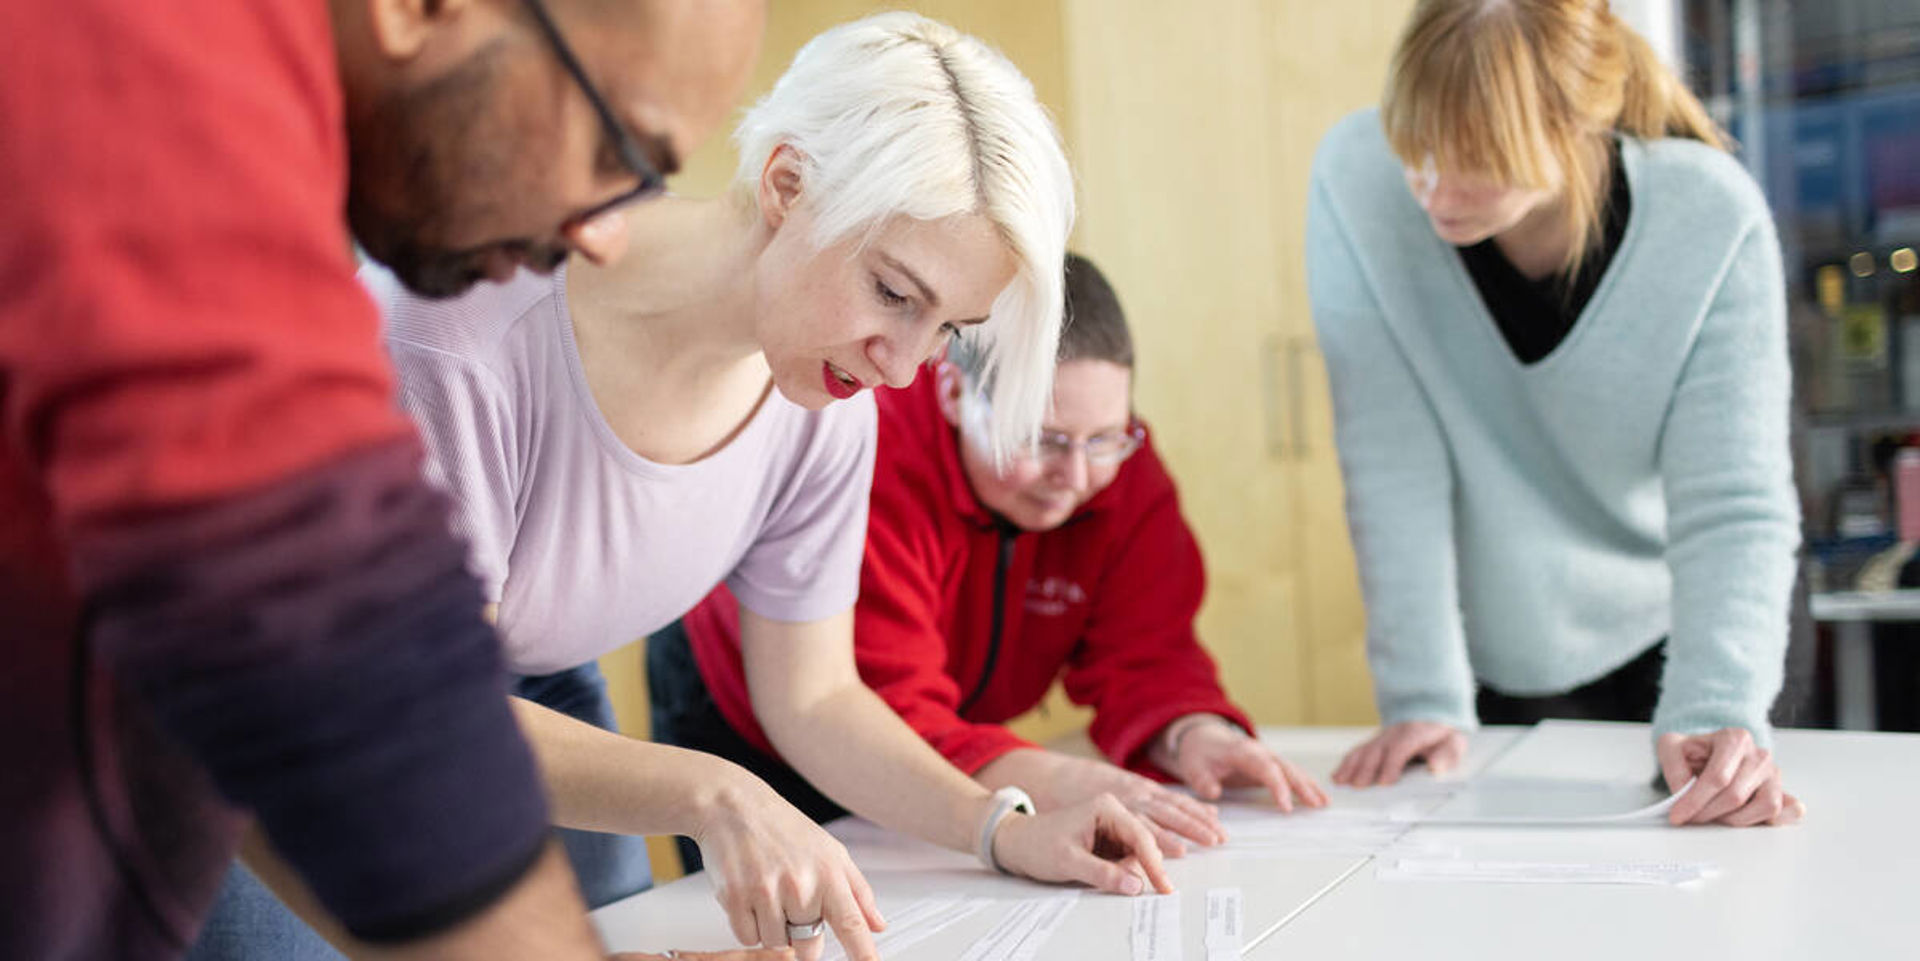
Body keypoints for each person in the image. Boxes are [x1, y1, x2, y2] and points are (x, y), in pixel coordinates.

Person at [322, 14, 1164, 961]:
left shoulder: (827, 397)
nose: (901, 367)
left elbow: (814, 697)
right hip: (299, 719)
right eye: (894, 293)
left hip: (533, 696)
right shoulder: (460, 336)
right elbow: (414, 708)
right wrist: (714, 790)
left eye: (946, 328)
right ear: (785, 184)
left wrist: (997, 825)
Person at [0, 0, 766, 958]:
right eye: (615, 151)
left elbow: (274, 700)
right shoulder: (150, 71)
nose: (606, 237)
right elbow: (337, 648)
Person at [1306, 0, 1805, 828]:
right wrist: (1423, 693)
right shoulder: (1356, 180)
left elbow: (1733, 506)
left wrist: (1717, 703)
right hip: (1503, 639)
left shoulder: (1711, 218)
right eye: (1415, 142)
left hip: (1690, 625)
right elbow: (1389, 463)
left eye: (1475, 159)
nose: (1431, 187)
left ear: (1578, 125)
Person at [661, 253, 1330, 868]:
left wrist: (1192, 733)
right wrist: (1056, 781)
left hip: (947, 726)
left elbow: (1148, 648)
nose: (1076, 476)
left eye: (1103, 438)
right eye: (1041, 439)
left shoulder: (1113, 462)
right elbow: (874, 710)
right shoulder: (873, 462)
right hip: (766, 720)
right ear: (954, 394)